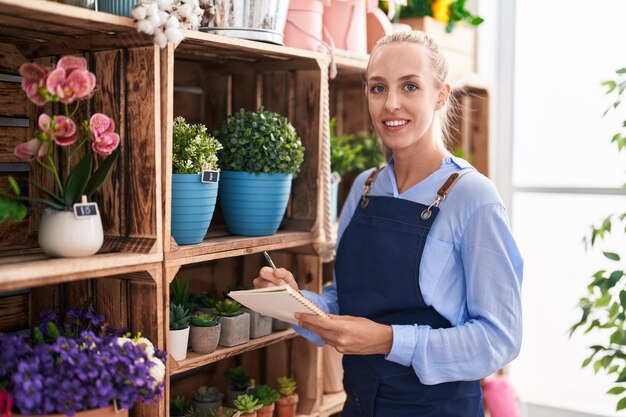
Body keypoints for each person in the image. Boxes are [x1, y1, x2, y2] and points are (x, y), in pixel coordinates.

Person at [253, 30, 523, 417]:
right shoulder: (364, 186)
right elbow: (342, 303)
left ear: (441, 95)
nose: (391, 104)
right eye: (378, 88)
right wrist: (295, 301)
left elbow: (499, 339)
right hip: (359, 406)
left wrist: (387, 341)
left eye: (410, 86)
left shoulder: (473, 197)